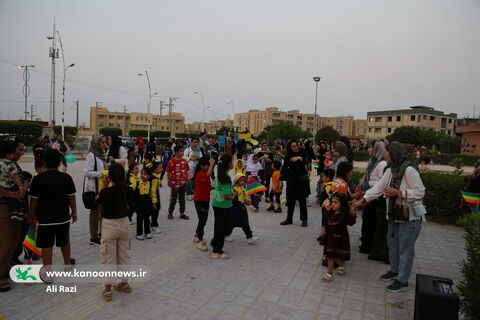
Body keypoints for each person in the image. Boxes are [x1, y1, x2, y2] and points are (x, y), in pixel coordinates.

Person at [352, 141, 425, 293]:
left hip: (409, 217)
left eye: (388, 152)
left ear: (395, 153)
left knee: (405, 248)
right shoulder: (390, 170)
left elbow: (420, 191)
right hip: (393, 214)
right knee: (393, 245)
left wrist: (399, 193)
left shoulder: (409, 170)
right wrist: (363, 200)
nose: (385, 154)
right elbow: (378, 188)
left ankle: (402, 280)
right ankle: (394, 270)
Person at [29, 149, 77, 283]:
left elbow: (34, 200)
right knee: (64, 241)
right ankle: (67, 264)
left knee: (46, 245)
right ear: (59, 162)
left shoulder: (38, 179)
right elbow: (71, 197)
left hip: (44, 219)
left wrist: (32, 215)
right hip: (62, 217)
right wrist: (74, 212)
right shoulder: (66, 177)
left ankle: (48, 274)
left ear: (45, 162)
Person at [96, 163, 133, 302]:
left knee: (108, 257)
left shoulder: (106, 192)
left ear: (109, 177)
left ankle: (107, 289)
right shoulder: (128, 190)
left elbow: (97, 201)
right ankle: (124, 283)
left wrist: (104, 185)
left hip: (109, 226)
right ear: (123, 176)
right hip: (124, 224)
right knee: (124, 255)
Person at [357, 141, 387, 255]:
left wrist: (367, 185)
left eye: (373, 148)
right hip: (368, 193)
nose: (370, 150)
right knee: (366, 221)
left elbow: (380, 182)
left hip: (374, 198)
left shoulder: (382, 164)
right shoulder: (373, 162)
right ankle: (365, 244)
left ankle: (368, 246)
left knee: (370, 222)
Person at [321, 193, 356, 282]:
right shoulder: (330, 213)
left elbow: (351, 222)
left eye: (336, 202)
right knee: (330, 256)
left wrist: (353, 212)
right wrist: (323, 228)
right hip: (330, 239)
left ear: (342, 205)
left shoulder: (344, 215)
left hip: (340, 239)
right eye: (332, 202)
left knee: (335, 255)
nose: (333, 204)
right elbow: (325, 222)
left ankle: (339, 266)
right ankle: (330, 274)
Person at [280, 140, 310, 227]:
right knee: (290, 200)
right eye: (293, 146)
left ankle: (304, 219)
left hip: (301, 179)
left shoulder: (302, 152)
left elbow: (307, 160)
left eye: (296, 145)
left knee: (302, 200)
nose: (296, 147)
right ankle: (289, 219)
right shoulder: (288, 155)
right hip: (292, 179)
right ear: (290, 147)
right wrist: (281, 180)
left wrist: (300, 158)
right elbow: (284, 168)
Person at [210, 154, 235, 260]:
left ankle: (215, 243)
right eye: (232, 161)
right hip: (223, 206)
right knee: (222, 228)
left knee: (219, 227)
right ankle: (217, 251)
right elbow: (226, 195)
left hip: (217, 204)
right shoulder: (226, 177)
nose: (233, 163)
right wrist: (233, 196)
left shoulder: (220, 175)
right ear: (228, 164)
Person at [84, 135, 107, 245]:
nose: (104, 144)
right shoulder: (91, 155)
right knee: (94, 213)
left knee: (102, 211)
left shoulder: (102, 155)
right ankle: (93, 237)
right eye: (102, 142)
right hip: (94, 188)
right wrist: (101, 174)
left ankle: (101, 233)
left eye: (104, 142)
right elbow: (87, 172)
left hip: (102, 187)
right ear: (96, 143)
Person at [224, 173, 259, 244]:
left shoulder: (243, 189)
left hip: (242, 208)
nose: (242, 182)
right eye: (240, 180)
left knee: (245, 222)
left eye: (243, 180)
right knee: (232, 223)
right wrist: (233, 194)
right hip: (234, 208)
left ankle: (249, 237)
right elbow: (228, 197)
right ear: (236, 181)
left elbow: (246, 199)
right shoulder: (233, 189)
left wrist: (248, 201)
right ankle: (226, 235)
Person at [0, 141, 27, 221]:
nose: (23, 153)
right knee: (18, 199)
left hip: (5, 189)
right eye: (20, 150)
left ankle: (14, 212)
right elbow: (15, 176)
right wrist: (22, 187)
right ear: (9, 153)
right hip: (4, 211)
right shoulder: (10, 163)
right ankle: (20, 212)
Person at [193, 157, 215, 251]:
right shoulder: (199, 174)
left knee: (203, 219)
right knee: (202, 219)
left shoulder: (205, 174)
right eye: (207, 165)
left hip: (206, 200)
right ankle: (199, 239)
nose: (209, 167)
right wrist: (212, 164)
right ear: (202, 166)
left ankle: (197, 234)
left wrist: (213, 188)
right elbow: (208, 174)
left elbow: (207, 185)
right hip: (199, 200)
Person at [166, 145, 190, 220]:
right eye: (181, 151)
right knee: (173, 198)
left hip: (183, 183)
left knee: (182, 199)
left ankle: (182, 213)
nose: (182, 152)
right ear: (176, 152)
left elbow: (186, 171)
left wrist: (187, 179)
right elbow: (168, 172)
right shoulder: (171, 161)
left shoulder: (184, 161)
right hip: (174, 183)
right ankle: (170, 213)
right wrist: (168, 181)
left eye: (183, 151)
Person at [133, 168, 158, 240]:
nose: (143, 176)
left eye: (145, 174)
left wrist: (154, 203)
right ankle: (139, 233)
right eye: (142, 174)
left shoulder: (150, 184)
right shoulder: (137, 183)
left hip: (147, 203)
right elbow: (130, 188)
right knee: (139, 219)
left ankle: (147, 232)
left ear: (149, 176)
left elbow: (153, 194)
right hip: (139, 203)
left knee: (147, 218)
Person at [317, 168, 335, 246]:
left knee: (326, 222)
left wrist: (325, 203)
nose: (322, 178)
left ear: (328, 178)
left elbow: (329, 196)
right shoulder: (326, 185)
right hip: (325, 207)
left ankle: (325, 238)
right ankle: (322, 235)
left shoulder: (329, 186)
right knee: (324, 221)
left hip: (327, 207)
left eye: (323, 176)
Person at [149, 162, 162, 234]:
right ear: (154, 170)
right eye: (159, 168)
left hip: (154, 196)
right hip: (154, 197)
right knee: (155, 211)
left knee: (154, 211)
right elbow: (153, 191)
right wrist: (154, 201)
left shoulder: (155, 176)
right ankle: (154, 225)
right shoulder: (154, 179)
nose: (161, 169)